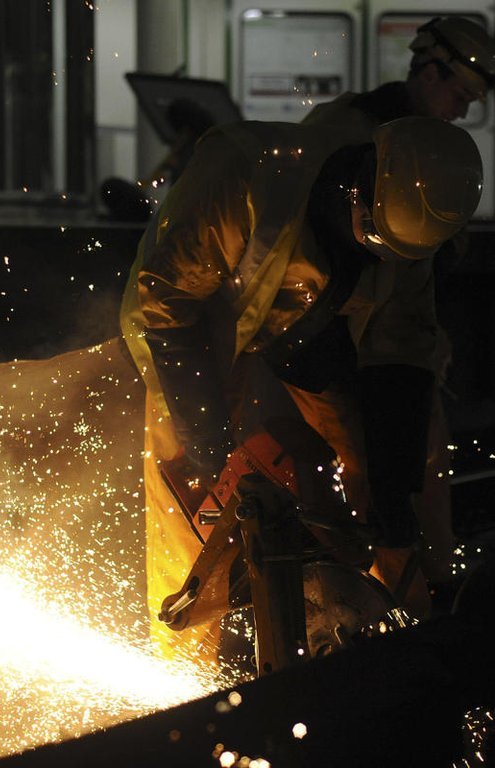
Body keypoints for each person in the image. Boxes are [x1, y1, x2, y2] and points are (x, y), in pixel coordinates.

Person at [120, 115, 483, 670]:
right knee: (195, 504)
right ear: (358, 186)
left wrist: (391, 493)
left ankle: (395, 633)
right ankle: (182, 671)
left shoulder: (407, 236)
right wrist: (210, 449)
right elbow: (168, 303)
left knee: (370, 478)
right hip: (190, 334)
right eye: (375, 240)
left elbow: (400, 361)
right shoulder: (246, 173)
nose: (380, 259)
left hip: (304, 327)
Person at [301, 15, 495, 596]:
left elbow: (418, 276)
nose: (461, 110)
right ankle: (371, 598)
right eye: (459, 95)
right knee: (352, 476)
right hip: (324, 339)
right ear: (428, 70)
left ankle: (423, 595)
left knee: (418, 469)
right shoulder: (345, 132)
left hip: (395, 340)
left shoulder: (429, 152)